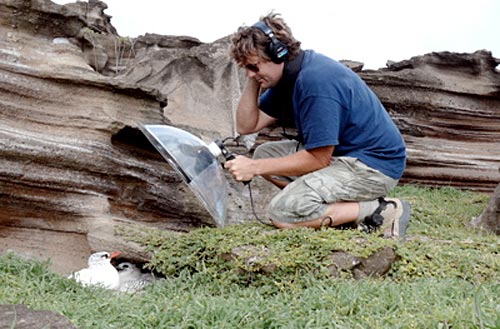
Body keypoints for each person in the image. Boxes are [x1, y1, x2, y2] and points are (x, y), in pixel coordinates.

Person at [225, 12, 411, 239]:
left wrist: (254, 168)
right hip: (343, 157)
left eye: (253, 66)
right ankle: (325, 211)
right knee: (266, 152)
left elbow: (318, 158)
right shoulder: (286, 77)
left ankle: (380, 210)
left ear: (279, 53)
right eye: (246, 68)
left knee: (281, 213)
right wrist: (253, 76)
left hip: (373, 167)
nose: (249, 73)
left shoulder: (315, 82)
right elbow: (246, 125)